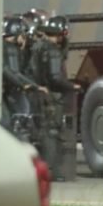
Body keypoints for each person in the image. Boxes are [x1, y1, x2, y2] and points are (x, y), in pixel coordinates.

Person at [33, 16, 81, 181]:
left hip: (39, 94)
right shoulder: (53, 51)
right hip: (53, 97)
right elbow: (55, 77)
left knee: (42, 133)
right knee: (52, 133)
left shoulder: (38, 47)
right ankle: (51, 170)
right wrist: (71, 86)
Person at [1, 16, 42, 134]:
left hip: (3, 90)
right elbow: (12, 72)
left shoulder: (0, 45)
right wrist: (28, 85)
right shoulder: (10, 49)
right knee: (22, 112)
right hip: (8, 90)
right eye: (22, 35)